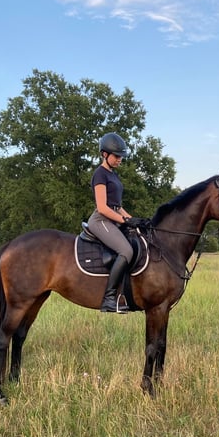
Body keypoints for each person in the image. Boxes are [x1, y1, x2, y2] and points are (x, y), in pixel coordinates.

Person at [87, 132, 135, 313]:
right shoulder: (100, 174)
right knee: (126, 250)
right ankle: (108, 299)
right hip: (101, 220)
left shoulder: (113, 175)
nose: (120, 159)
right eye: (117, 156)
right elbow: (103, 208)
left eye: (121, 156)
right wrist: (124, 220)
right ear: (104, 154)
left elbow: (117, 206)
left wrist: (133, 221)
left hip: (113, 219)